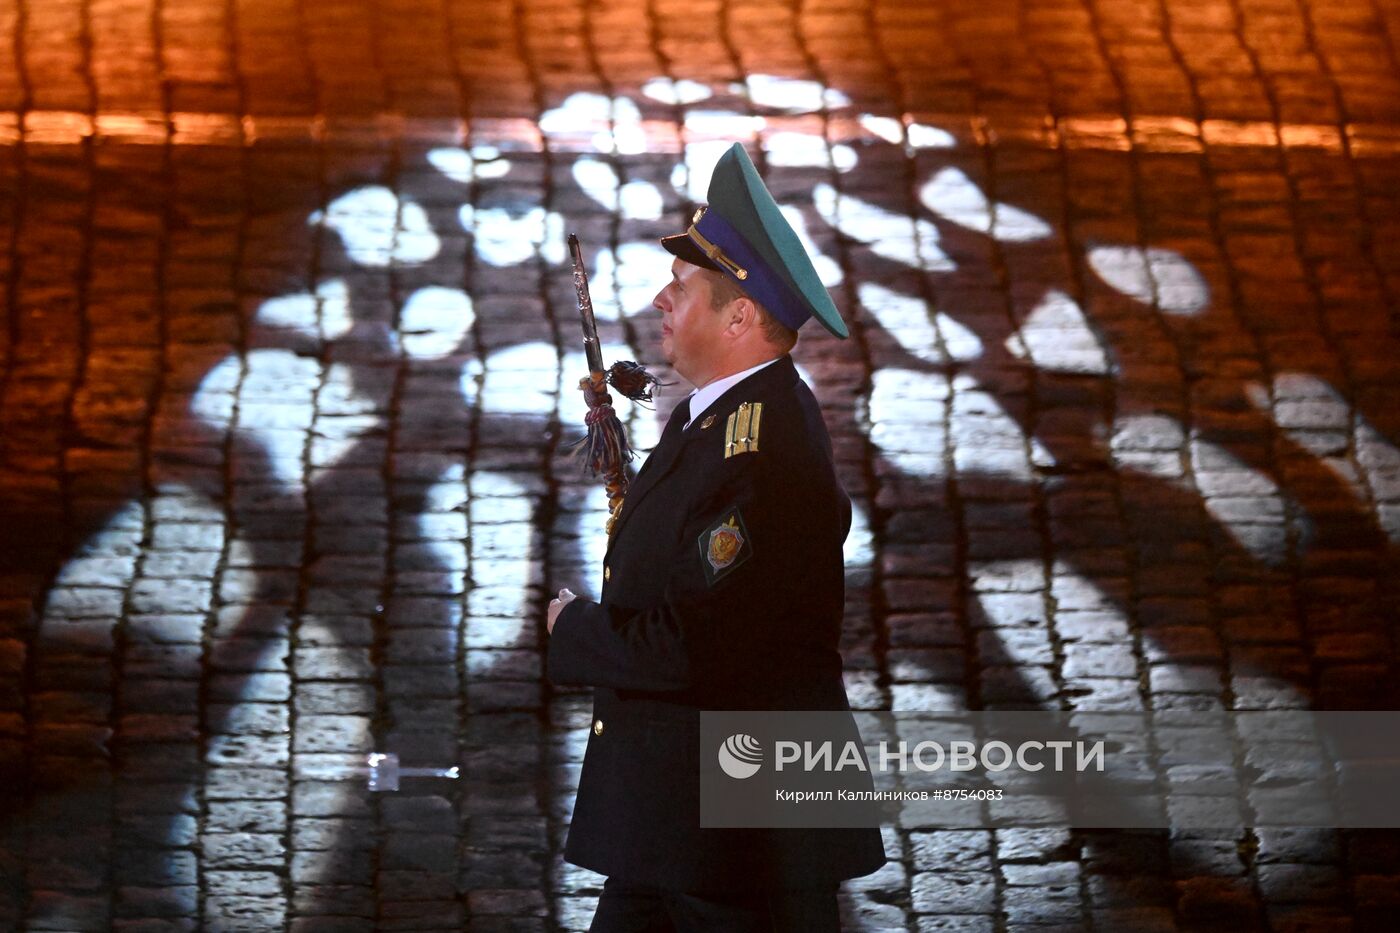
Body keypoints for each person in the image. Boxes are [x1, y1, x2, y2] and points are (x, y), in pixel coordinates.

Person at [546, 143, 886, 932]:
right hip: (683, 827)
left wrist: (577, 631)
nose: (663, 300)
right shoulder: (721, 418)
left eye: (685, 287)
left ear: (740, 315)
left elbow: (698, 643)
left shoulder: (761, 447)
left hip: (739, 848)